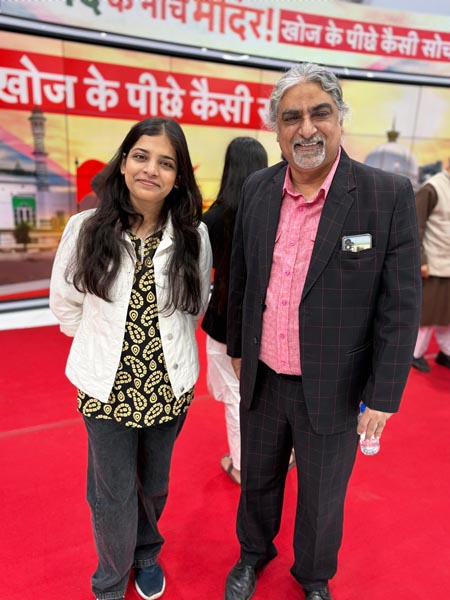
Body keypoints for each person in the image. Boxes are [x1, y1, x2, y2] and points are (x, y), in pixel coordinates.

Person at [224, 63, 421, 600]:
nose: (306, 128)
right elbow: (240, 276)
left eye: (320, 113)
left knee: (322, 494)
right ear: (276, 129)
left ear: (340, 119)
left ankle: (313, 576)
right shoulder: (259, 188)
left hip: (336, 385)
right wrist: (238, 349)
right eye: (292, 117)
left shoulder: (386, 194)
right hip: (264, 377)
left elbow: (400, 305)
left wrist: (383, 395)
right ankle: (252, 554)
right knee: (257, 478)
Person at [49, 117, 212, 600]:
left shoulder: (193, 235)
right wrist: (101, 346)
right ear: (122, 163)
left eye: (166, 163)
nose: (150, 170)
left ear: (178, 177)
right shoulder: (85, 228)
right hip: (106, 390)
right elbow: (66, 302)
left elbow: (194, 306)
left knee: (154, 486)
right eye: (141, 156)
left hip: (168, 387)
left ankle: (146, 553)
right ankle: (110, 582)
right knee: (112, 492)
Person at [201, 137, 268, 486]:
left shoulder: (213, 219)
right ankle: (280, 455)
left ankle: (241, 466)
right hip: (268, 323)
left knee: (234, 397)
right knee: (269, 397)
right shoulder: (275, 214)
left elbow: (201, 277)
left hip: (225, 321)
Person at [411, 158, 450, 372]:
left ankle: (446, 352)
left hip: (448, 263)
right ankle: (414, 354)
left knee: (447, 316)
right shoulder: (432, 187)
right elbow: (416, 226)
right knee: (427, 315)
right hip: (434, 264)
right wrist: (421, 261)